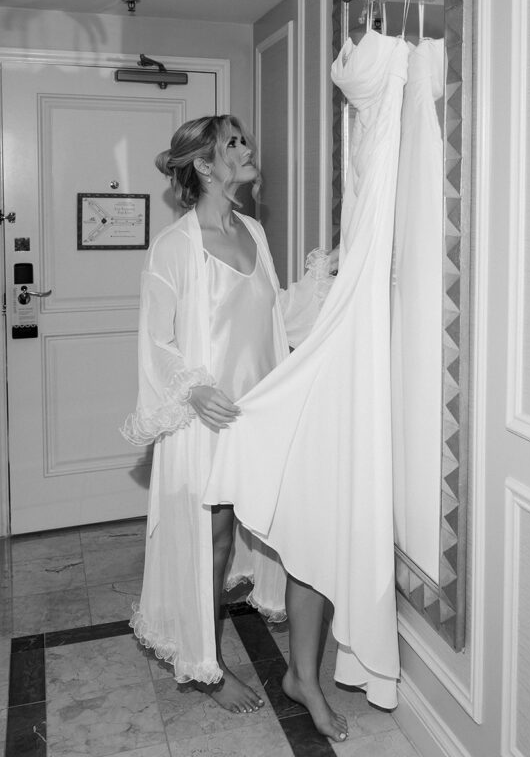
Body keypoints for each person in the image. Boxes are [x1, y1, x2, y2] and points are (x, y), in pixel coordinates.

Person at [122, 114, 347, 743]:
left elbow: (272, 319)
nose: (249, 150)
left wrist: (327, 284)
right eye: (234, 144)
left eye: (246, 139)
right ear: (202, 164)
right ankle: (209, 667)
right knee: (211, 543)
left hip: (263, 418)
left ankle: (304, 677)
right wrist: (193, 389)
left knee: (304, 539)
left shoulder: (253, 230)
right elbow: (157, 339)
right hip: (206, 421)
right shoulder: (174, 246)